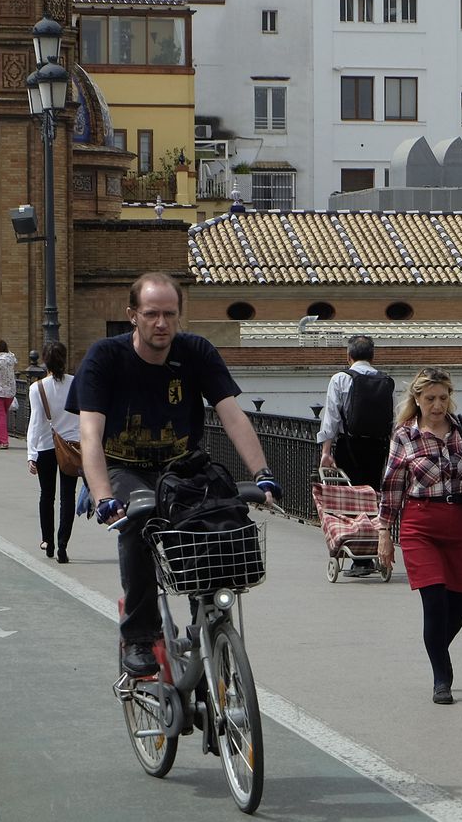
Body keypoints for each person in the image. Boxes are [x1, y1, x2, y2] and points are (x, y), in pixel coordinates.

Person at [69, 272, 281, 677]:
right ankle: (140, 635)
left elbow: (233, 416)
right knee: (139, 520)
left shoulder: (196, 352)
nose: (161, 323)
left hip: (181, 466)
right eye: (151, 314)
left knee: (216, 518)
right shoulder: (104, 358)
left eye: (169, 314)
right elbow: (90, 436)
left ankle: (207, 617)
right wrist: (101, 496)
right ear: (133, 315)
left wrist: (263, 473)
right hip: (122, 466)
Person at [378, 367, 462, 705]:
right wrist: (383, 531)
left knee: (460, 604)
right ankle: (442, 676)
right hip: (419, 523)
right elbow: (393, 484)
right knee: (434, 602)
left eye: (443, 397)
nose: (438, 405)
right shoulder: (404, 435)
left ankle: (436, 647)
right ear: (417, 400)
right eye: (430, 399)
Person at [317, 334, 395, 577]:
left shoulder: (340, 378)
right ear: (373, 356)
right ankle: (373, 553)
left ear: (348, 355)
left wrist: (326, 451)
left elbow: (331, 417)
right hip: (378, 447)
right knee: (373, 499)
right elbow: (391, 420)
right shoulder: (385, 380)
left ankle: (357, 555)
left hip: (350, 445)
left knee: (349, 501)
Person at [27, 341, 79, 563]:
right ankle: (63, 546)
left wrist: (31, 453)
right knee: (68, 497)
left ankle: (48, 540)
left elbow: (36, 422)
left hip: (47, 446)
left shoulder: (37, 388)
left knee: (46, 495)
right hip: (72, 446)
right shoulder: (77, 384)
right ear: (64, 359)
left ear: (44, 362)